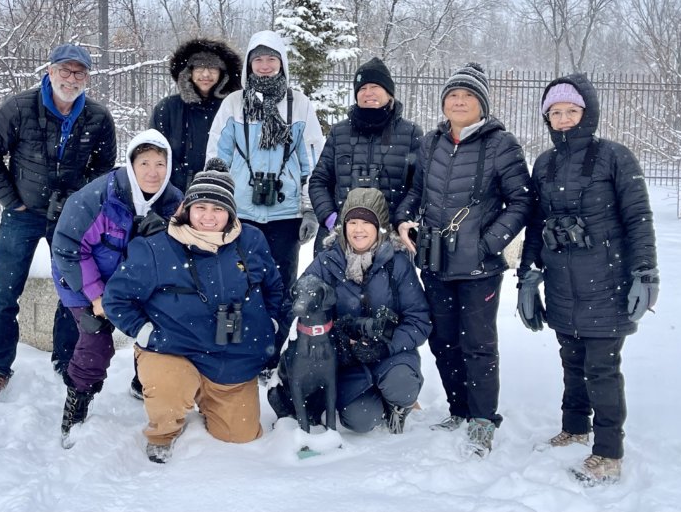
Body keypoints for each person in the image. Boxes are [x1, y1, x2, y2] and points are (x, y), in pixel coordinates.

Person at [517, 73, 658, 485]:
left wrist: (645, 273)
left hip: (607, 281)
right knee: (572, 361)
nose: (563, 118)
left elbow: (639, 219)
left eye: (571, 111)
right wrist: (528, 277)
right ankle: (576, 426)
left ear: (587, 112)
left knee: (602, 367)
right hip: (562, 283)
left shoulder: (615, 156)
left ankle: (609, 452)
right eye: (555, 112)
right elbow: (536, 224)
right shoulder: (544, 163)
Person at [102, 159, 284, 463]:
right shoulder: (156, 248)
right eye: (201, 208)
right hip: (175, 350)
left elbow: (275, 288)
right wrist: (146, 332)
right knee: (169, 387)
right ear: (187, 209)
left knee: (241, 435)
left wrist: (272, 323)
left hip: (232, 356)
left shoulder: (251, 241)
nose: (209, 217)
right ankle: (164, 431)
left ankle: (209, 395)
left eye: (218, 209)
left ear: (231, 213)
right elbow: (116, 298)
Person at [395, 62, 533, 456]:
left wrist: (489, 242)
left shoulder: (501, 144)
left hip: (479, 268)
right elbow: (416, 191)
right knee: (443, 340)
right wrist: (404, 220)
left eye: (468, 96)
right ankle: (458, 409)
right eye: (453, 95)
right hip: (435, 261)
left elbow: (521, 201)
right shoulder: (432, 142)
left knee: (478, 344)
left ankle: (483, 419)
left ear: (482, 104)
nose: (459, 101)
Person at [0, 43, 117, 399]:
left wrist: (78, 202)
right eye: (65, 71)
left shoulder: (98, 117)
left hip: (70, 221)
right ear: (50, 71)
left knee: (74, 290)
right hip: (22, 216)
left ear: (87, 77)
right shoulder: (21, 108)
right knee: (6, 290)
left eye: (79, 72)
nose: (71, 79)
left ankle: (66, 360)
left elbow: (104, 170)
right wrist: (13, 201)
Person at [50, 129, 183, 442]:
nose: (153, 172)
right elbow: (68, 247)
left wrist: (162, 232)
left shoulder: (173, 202)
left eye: (160, 164)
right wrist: (96, 296)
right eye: (145, 162)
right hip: (82, 275)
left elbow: (181, 251)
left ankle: (144, 382)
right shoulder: (97, 198)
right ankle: (78, 400)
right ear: (131, 163)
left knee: (161, 326)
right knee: (95, 337)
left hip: (133, 280)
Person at [269, 187, 431, 434]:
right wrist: (336, 339)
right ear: (342, 225)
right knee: (361, 420)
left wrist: (387, 345)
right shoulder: (328, 261)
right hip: (347, 360)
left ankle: (398, 405)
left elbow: (419, 320)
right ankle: (372, 403)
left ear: (380, 226)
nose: (358, 229)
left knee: (402, 385)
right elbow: (297, 303)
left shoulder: (397, 263)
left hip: (391, 354)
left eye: (366, 222)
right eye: (352, 221)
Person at [206, 30, 324, 363]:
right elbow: (217, 156)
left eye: (272, 58)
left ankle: (270, 353)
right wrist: (218, 207)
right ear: (249, 65)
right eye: (258, 59)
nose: (265, 65)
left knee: (280, 286)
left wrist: (310, 209)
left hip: (285, 214)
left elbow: (311, 161)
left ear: (282, 63)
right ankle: (236, 347)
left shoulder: (299, 104)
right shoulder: (233, 104)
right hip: (240, 212)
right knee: (235, 281)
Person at [309, 57, 422, 255]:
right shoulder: (339, 132)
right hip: (341, 237)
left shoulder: (411, 133)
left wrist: (400, 220)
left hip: (390, 240)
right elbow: (319, 181)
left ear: (389, 92)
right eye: (362, 88)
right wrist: (331, 219)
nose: (368, 93)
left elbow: (418, 187)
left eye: (375, 86)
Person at [149, 38, 242, 191]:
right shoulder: (167, 108)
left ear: (222, 73)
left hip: (220, 192)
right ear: (189, 72)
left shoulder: (232, 109)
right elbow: (154, 152)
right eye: (199, 67)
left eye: (213, 68)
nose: (206, 74)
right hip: (174, 193)